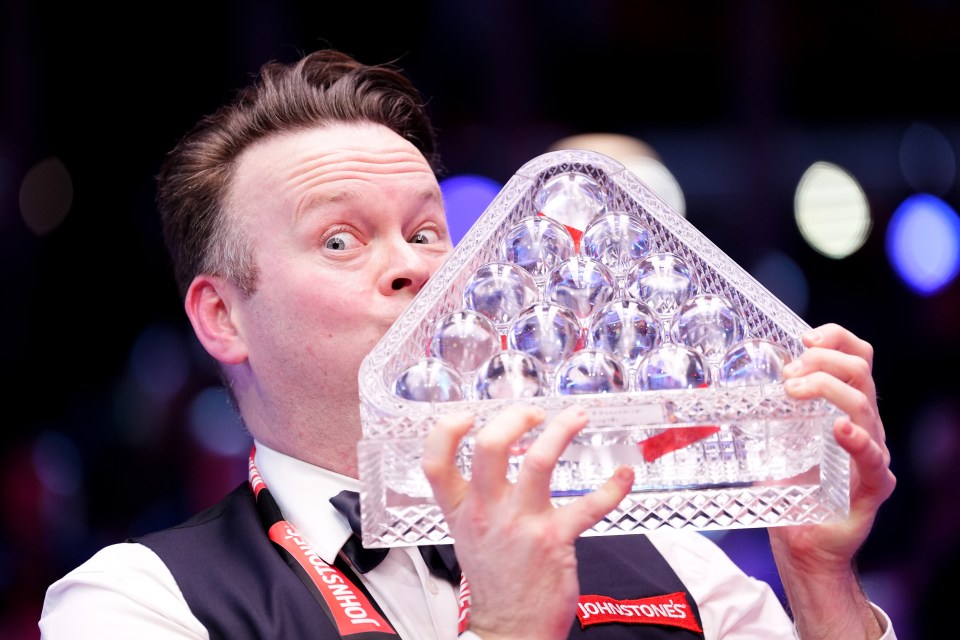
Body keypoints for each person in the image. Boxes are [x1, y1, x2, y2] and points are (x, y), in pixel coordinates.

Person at [38, 48, 897, 639]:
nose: (411, 269)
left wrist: (821, 584)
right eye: (341, 239)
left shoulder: (666, 550)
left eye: (426, 232)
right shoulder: (139, 602)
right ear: (221, 317)